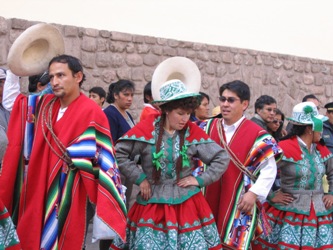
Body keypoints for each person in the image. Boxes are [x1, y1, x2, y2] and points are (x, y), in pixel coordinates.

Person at [0, 54, 127, 249]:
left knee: (63, 238)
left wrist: (80, 155)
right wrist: (15, 69)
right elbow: (12, 103)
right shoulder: (44, 104)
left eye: (61, 75)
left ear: (78, 77)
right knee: (29, 236)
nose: (55, 82)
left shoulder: (91, 112)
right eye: (51, 77)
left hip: (69, 189)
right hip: (36, 186)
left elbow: (102, 159)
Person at [112, 56, 230, 249]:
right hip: (152, 202)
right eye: (180, 113)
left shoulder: (192, 132)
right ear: (166, 110)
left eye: (188, 114)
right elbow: (119, 153)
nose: (185, 119)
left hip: (187, 202)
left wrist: (199, 180)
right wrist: (140, 178)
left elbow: (220, 157)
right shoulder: (146, 130)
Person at [202, 80, 281, 249]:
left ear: (245, 104)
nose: (224, 104)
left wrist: (254, 193)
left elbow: (269, 170)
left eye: (231, 100)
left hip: (241, 200)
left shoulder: (258, 135)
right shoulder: (206, 127)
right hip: (206, 196)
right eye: (222, 99)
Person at [253, 101, 333, 249]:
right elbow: (257, 171)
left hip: (319, 212)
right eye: (319, 126)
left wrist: (331, 193)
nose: (322, 131)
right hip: (288, 211)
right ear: (310, 128)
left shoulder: (320, 149)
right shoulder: (284, 148)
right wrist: (270, 195)